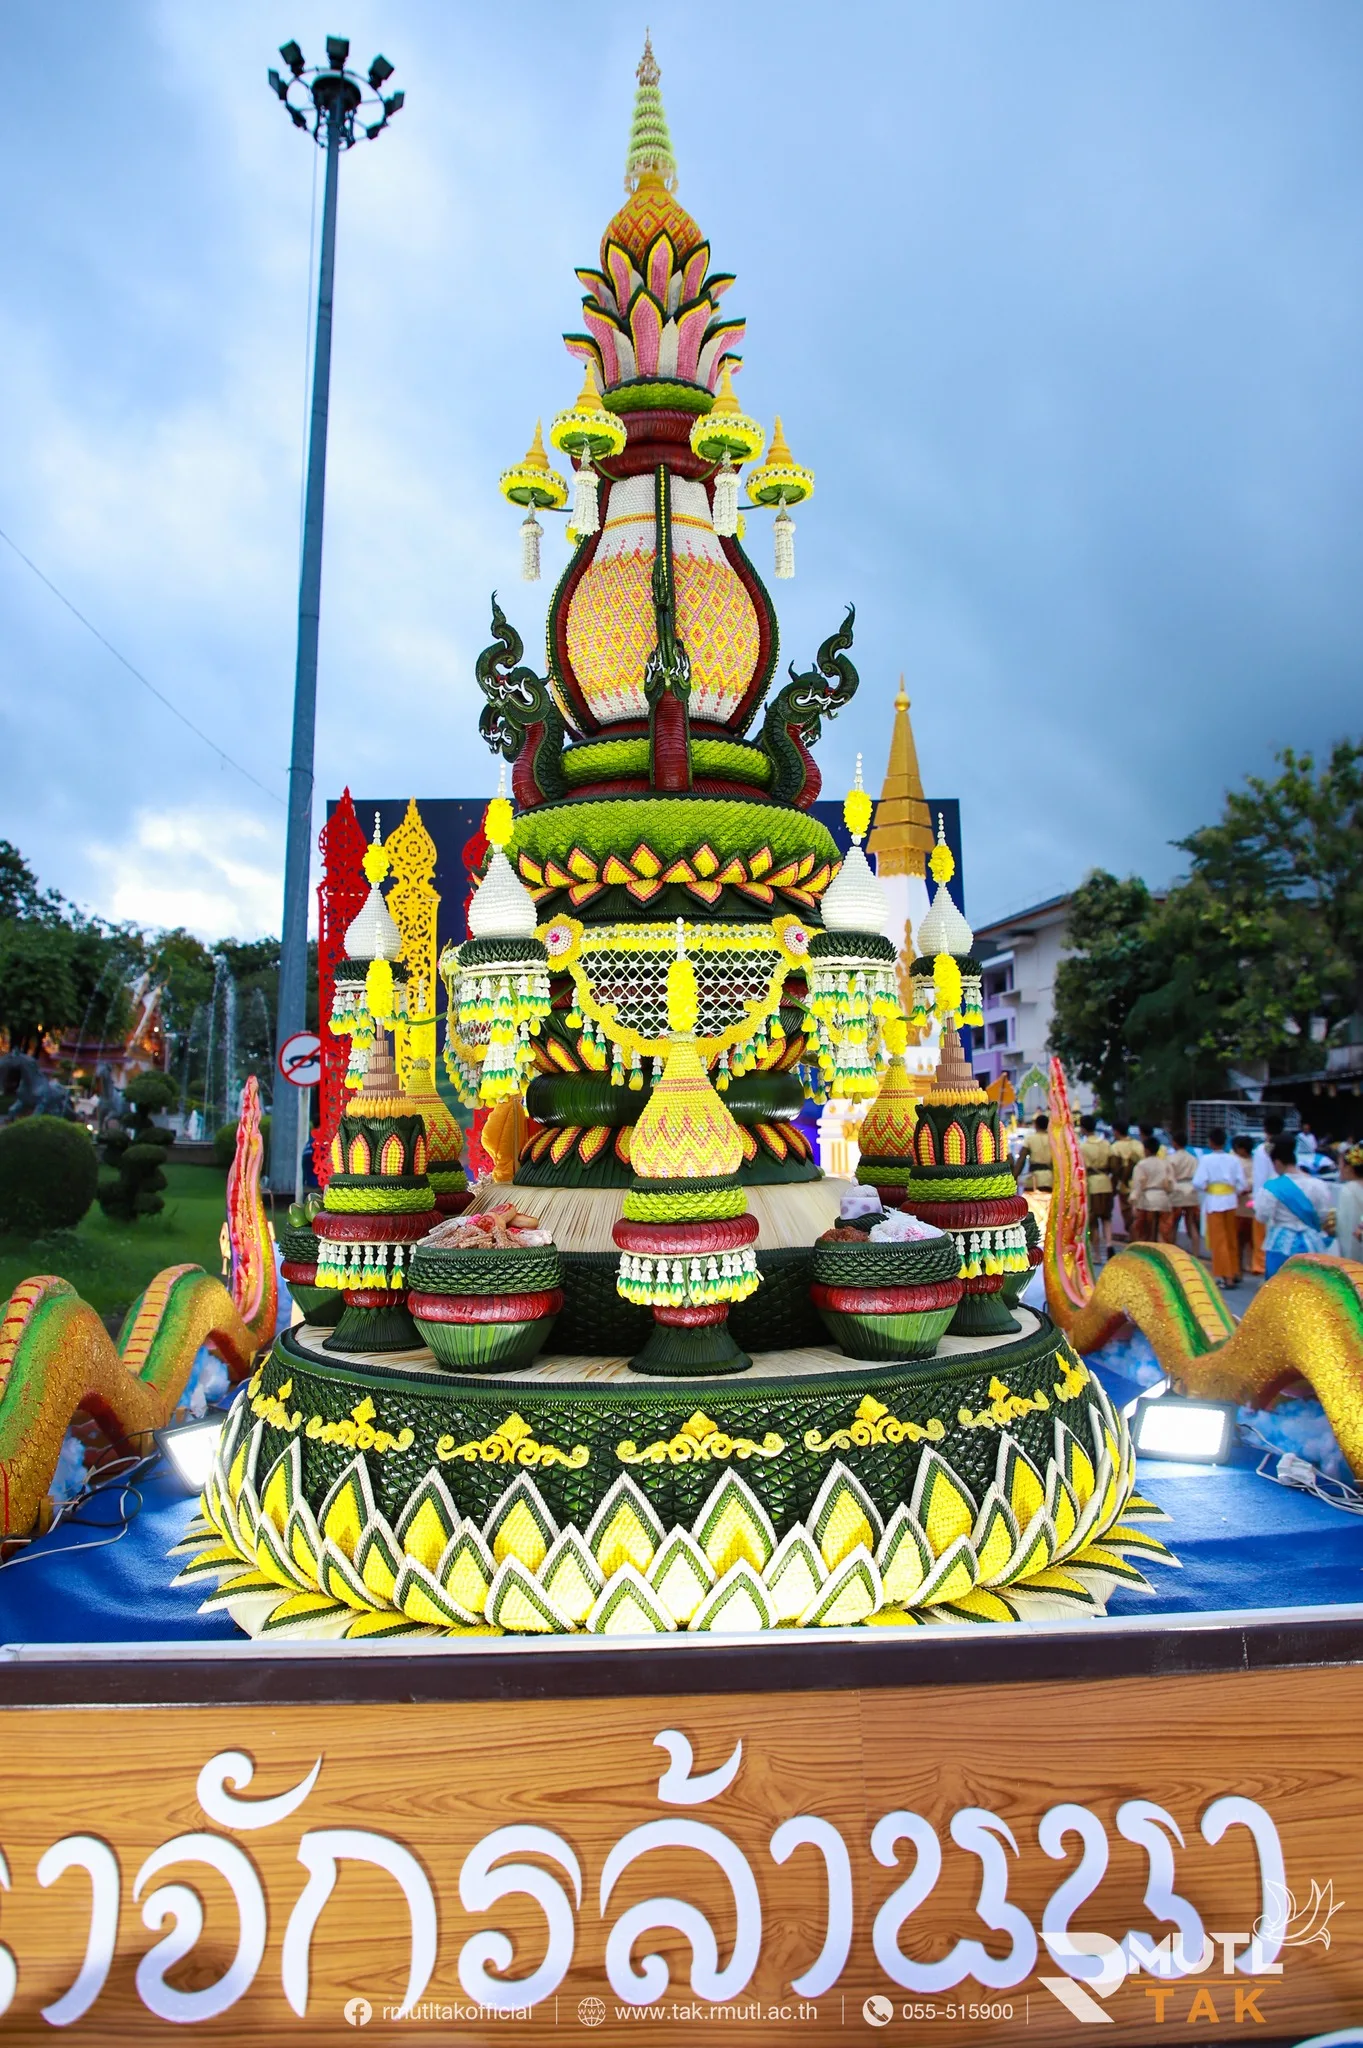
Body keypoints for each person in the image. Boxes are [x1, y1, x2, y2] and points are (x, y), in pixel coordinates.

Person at [1255, 1135, 1335, 1277]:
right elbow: (1323, 1215)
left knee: (1279, 1284)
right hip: (1311, 1242)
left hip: (1280, 1243)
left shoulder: (1272, 1187)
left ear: (1277, 1162)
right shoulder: (1317, 1185)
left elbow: (1262, 1216)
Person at [1192, 1125, 1249, 1288]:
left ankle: (1226, 1276)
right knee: (1231, 1239)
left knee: (1219, 1241)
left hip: (1214, 1201)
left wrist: (1209, 1188)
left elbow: (1198, 1182)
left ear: (1210, 1142)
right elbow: (1242, 1184)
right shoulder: (1234, 1159)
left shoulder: (1206, 1159)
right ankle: (1234, 1271)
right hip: (1230, 1200)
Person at [1250, 1114, 1283, 1275]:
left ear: (1265, 1130)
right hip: (1284, 1194)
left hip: (1266, 1195)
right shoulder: (1288, 1147)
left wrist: (1256, 1201)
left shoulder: (1261, 1150)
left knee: (1262, 1236)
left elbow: (1259, 1177)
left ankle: (1261, 1266)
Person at [1078, 1113, 1114, 1258]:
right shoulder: (1106, 1144)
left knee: (1093, 1221)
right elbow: (1112, 1164)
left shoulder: (1083, 1146)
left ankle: (1097, 1254)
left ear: (1083, 1128)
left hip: (1091, 1185)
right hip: (1106, 1183)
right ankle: (1109, 1244)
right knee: (1106, 1217)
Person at [1129, 1135, 1174, 1242]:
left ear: (1146, 1150)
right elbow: (1171, 1184)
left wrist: (1133, 1201)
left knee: (1145, 1233)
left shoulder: (1141, 1165)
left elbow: (1137, 1185)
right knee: (1162, 1233)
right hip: (1163, 1200)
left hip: (1146, 1200)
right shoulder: (1165, 1164)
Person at [1167, 1128, 1202, 1256]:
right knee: (1192, 1223)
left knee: (1173, 1224)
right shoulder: (1193, 1158)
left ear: (1174, 1143)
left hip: (1177, 1190)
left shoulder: (1171, 1158)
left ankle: (1172, 1253)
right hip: (1191, 1190)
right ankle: (1196, 1253)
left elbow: (1169, 1178)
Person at [1109, 1119, 1143, 1240]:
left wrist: (1114, 1186)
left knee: (1127, 1213)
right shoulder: (1138, 1144)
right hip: (1139, 1185)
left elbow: (1114, 1169)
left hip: (1124, 1185)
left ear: (1116, 1132)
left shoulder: (1115, 1147)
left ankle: (1133, 1237)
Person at [1231, 1134, 1257, 1272]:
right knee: (1245, 1239)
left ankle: (1244, 1264)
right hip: (1246, 1205)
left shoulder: (1237, 1162)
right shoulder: (1253, 1162)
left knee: (1243, 1238)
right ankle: (1245, 1264)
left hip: (1243, 1205)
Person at [1335, 1146, 1363, 1260]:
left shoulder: (1348, 1190)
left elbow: (1347, 1230)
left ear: (1349, 1168)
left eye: (1340, 1165)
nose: (1339, 1168)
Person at [1018, 1113, 1053, 1193]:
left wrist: (1014, 1176)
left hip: (1034, 1179)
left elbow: (1021, 1160)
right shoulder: (1053, 1140)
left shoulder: (1030, 1139)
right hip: (1049, 1179)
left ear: (1036, 1125)